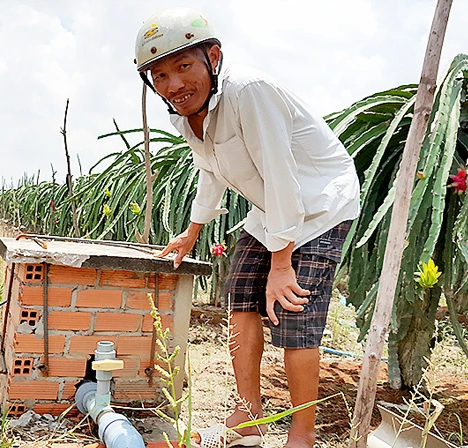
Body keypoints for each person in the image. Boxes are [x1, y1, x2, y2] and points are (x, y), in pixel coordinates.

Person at [135, 7, 360, 448]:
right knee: (240, 294)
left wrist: (281, 264)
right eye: (159, 75)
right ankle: (249, 412)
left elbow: (281, 174)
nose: (173, 85)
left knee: (295, 311)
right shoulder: (183, 114)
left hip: (319, 201)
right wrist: (192, 232)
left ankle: (302, 433)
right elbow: (211, 171)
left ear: (213, 57)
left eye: (183, 66)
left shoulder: (248, 92)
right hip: (270, 207)